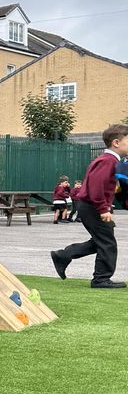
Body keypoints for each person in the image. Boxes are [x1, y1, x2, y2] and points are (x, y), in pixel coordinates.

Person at [51, 124, 128, 289]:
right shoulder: (107, 161)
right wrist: (103, 209)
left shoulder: (110, 161)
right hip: (93, 206)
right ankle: (100, 279)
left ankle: (63, 255)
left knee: (101, 241)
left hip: (90, 206)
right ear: (116, 142)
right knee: (108, 243)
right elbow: (96, 187)